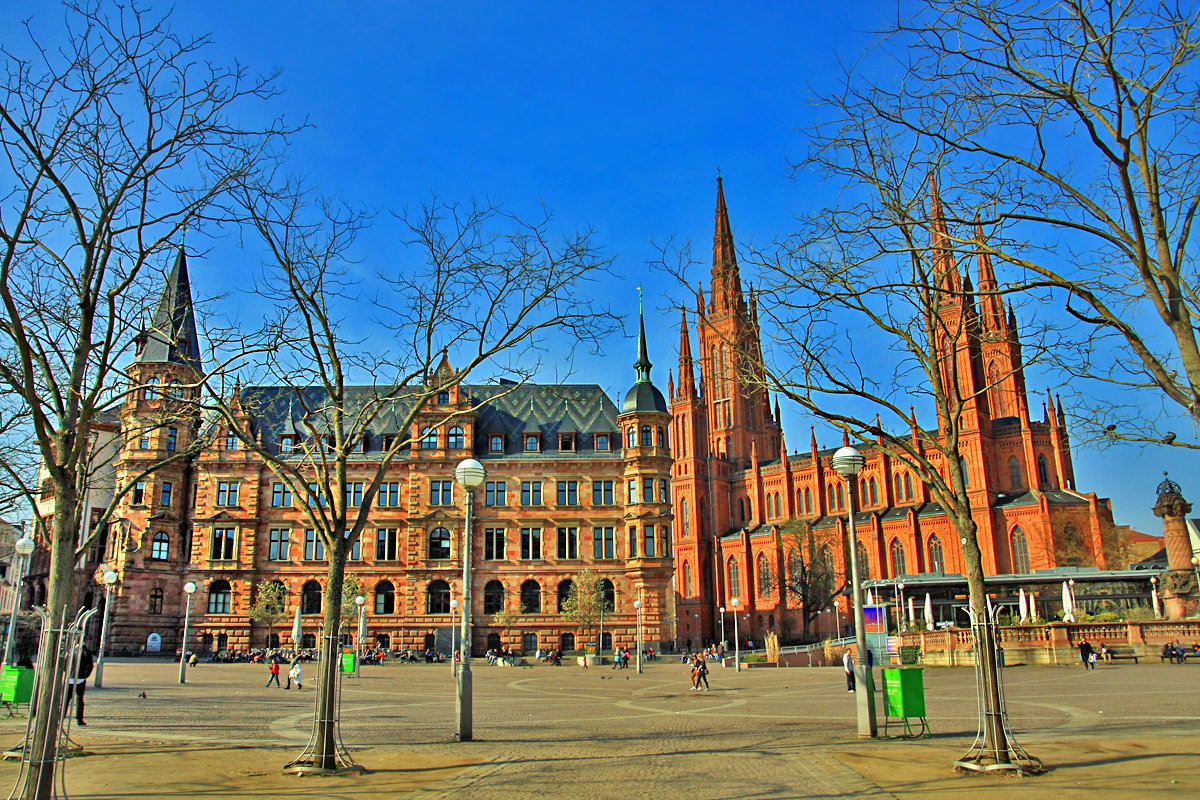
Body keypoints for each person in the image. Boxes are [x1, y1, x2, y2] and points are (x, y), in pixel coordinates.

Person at [68, 645, 94, 726]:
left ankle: (59, 717)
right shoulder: (86, 652)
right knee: (79, 700)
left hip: (70, 678)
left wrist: (68, 674)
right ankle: (79, 720)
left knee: (66, 699)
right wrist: (85, 675)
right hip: (80, 679)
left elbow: (65, 663)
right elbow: (90, 666)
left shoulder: (70, 651)